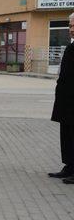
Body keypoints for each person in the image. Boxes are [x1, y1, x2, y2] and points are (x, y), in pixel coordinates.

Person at [50, 12, 74, 184]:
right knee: (66, 134)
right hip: (66, 100)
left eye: (72, 25)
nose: (70, 29)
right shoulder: (71, 46)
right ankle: (69, 166)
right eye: (70, 25)